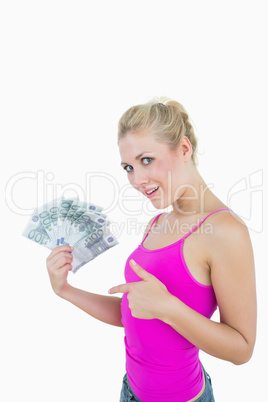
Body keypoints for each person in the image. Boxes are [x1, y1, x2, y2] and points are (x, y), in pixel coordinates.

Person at [46, 98, 257, 401]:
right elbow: (135, 313)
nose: (136, 180)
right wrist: (65, 290)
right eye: (128, 167)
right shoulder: (157, 222)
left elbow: (242, 349)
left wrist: (168, 307)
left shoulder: (224, 232)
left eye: (146, 160)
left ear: (184, 149)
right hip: (129, 391)